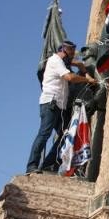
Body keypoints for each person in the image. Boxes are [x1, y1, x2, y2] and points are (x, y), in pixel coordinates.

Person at [26, 40, 97, 173]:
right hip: (50, 104)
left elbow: (80, 64)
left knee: (65, 136)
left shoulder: (64, 61)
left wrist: (86, 73)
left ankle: (48, 164)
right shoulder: (55, 61)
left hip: (59, 106)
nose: (73, 57)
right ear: (64, 51)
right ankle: (31, 165)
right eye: (71, 53)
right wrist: (87, 80)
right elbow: (70, 77)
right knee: (44, 134)